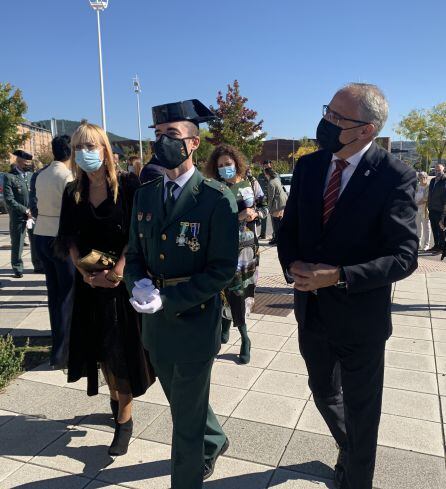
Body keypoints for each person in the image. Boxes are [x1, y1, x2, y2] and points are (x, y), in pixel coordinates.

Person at [277, 83, 418, 489]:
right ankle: (351, 448)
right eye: (328, 111)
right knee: (323, 392)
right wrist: (292, 265)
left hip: (361, 321)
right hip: (312, 313)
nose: (326, 122)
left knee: (362, 411)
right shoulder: (308, 167)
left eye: (338, 118)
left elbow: (404, 256)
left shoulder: (395, 176)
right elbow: (288, 232)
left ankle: (357, 477)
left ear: (366, 130)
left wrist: (339, 275)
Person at [124, 99, 238, 489]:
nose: (162, 144)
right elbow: (135, 254)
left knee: (184, 424)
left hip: (193, 322)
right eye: (158, 136)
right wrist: (136, 283)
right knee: (182, 400)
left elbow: (222, 269)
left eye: (172, 135)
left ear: (193, 142)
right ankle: (216, 438)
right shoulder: (146, 194)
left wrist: (169, 299)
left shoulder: (215, 197)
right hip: (154, 326)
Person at [57, 122, 152, 456]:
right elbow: (67, 237)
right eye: (79, 147)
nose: (85, 153)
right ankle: (116, 404)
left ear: (105, 149)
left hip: (122, 286)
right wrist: (84, 273)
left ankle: (123, 420)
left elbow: (139, 233)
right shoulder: (73, 191)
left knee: (121, 353)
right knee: (102, 352)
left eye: (91, 146)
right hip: (90, 285)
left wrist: (120, 271)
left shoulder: (127, 185)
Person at [205, 144, 268, 363]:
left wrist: (256, 213)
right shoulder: (214, 188)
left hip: (248, 251)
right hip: (223, 249)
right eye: (220, 165)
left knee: (240, 293)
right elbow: (210, 220)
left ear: (236, 163)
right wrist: (237, 217)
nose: (224, 168)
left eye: (228, 164)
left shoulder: (250, 182)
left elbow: (265, 205)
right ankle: (224, 326)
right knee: (224, 290)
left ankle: (244, 338)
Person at [34, 135, 75, 369]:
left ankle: (57, 345)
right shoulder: (67, 176)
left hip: (42, 235)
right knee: (67, 295)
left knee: (54, 293)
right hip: (60, 238)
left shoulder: (42, 174)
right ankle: (63, 353)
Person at [3, 150, 41, 277]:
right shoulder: (9, 177)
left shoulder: (31, 175)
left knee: (35, 241)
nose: (28, 164)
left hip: (32, 215)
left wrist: (34, 209)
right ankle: (18, 268)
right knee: (18, 242)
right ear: (19, 161)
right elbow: (9, 199)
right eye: (26, 162)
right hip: (18, 216)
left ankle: (38, 265)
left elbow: (36, 194)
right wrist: (25, 210)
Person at [264, 167, 288, 245]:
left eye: (265, 174)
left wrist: (269, 209)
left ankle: (277, 239)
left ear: (267, 174)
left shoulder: (271, 183)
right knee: (280, 222)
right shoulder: (277, 179)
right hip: (283, 202)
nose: (265, 175)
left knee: (276, 223)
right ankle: (280, 238)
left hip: (277, 204)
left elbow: (271, 198)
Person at [427, 163, 446, 253]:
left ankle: (442, 247)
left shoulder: (445, 180)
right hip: (432, 209)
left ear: (443, 169)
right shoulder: (432, 180)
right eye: (436, 170)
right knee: (434, 228)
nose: (437, 172)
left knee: (441, 229)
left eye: (439, 170)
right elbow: (430, 194)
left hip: (441, 210)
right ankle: (436, 245)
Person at [415, 171, 431, 251]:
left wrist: (416, 203)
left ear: (426, 178)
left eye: (423, 177)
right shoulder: (417, 186)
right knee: (418, 228)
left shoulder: (428, 186)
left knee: (426, 228)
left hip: (425, 210)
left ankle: (426, 244)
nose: (421, 179)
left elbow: (426, 198)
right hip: (417, 210)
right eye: (420, 177)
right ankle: (418, 243)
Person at [257, 160, 271, 238]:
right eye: (265, 166)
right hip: (263, 199)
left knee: (274, 218)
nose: (266, 168)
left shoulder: (274, 175)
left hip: (272, 199)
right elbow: (258, 187)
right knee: (263, 216)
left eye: (267, 166)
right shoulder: (260, 176)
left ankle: (275, 235)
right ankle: (263, 234)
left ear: (270, 166)